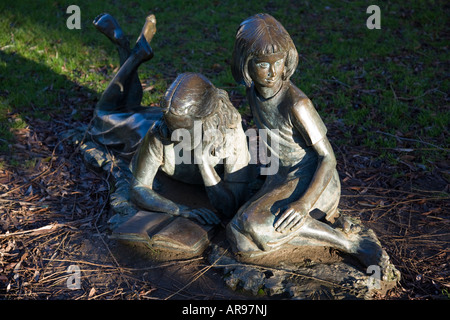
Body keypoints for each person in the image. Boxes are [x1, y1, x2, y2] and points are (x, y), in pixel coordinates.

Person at [227, 14, 379, 266]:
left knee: (251, 225)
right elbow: (265, 135)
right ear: (246, 63)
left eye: (278, 62)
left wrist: (303, 204)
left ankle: (351, 244)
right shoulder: (253, 92)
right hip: (280, 175)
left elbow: (328, 158)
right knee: (239, 238)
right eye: (263, 64)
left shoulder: (297, 104)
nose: (273, 72)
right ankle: (297, 231)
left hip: (316, 182)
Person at [90, 14, 251, 225]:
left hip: (154, 123)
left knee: (120, 108)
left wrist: (203, 163)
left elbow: (231, 205)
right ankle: (130, 53)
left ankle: (132, 53)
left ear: (204, 117)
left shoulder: (230, 134)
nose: (172, 135)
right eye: (169, 124)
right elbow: (138, 188)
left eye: (181, 129)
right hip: (138, 132)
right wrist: (179, 210)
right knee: (103, 118)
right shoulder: (160, 131)